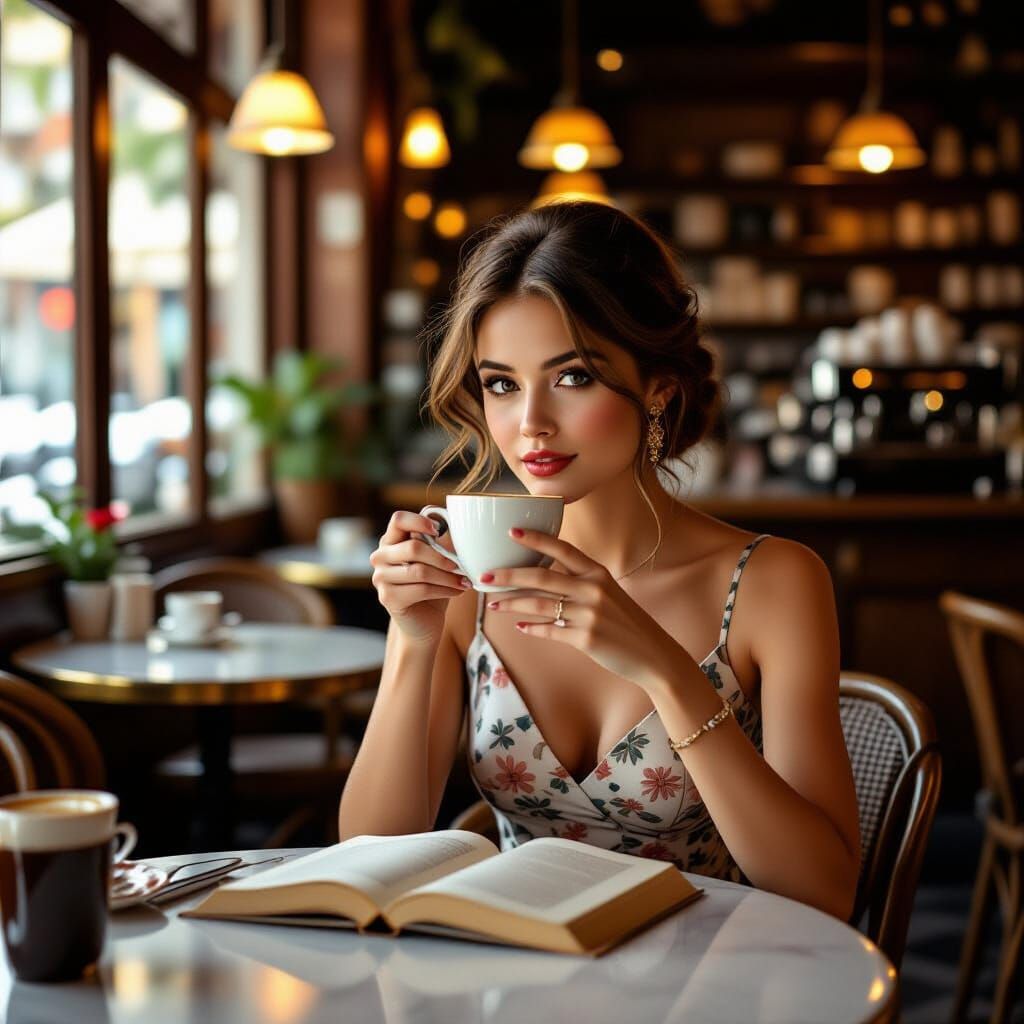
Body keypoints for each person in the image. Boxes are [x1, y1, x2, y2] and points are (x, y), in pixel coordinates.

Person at [339, 201, 860, 920]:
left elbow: (824, 892)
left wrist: (666, 670)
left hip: (713, 969)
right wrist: (412, 638)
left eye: (573, 376)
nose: (530, 424)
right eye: (502, 383)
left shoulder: (772, 583)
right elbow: (369, 857)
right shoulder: (469, 585)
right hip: (518, 966)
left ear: (658, 387)